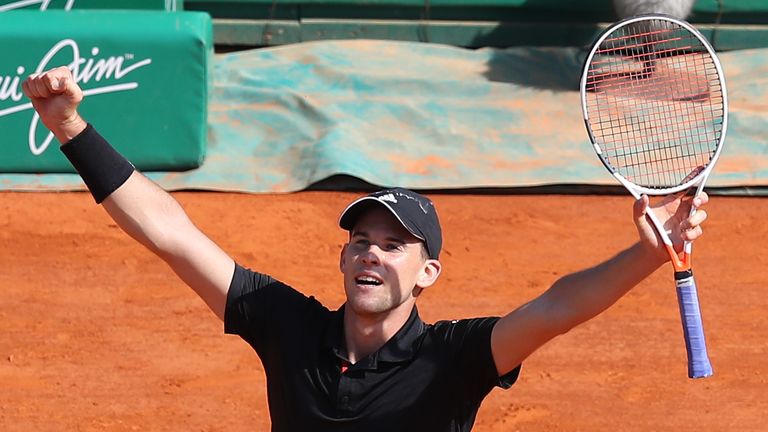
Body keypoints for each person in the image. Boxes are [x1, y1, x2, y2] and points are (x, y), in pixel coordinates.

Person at [22, 67, 709, 431]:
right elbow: (172, 233)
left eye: (393, 245)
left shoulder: (457, 358)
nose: (371, 255)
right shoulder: (286, 325)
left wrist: (648, 254)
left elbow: (557, 307)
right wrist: (71, 128)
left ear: (428, 272)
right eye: (360, 242)